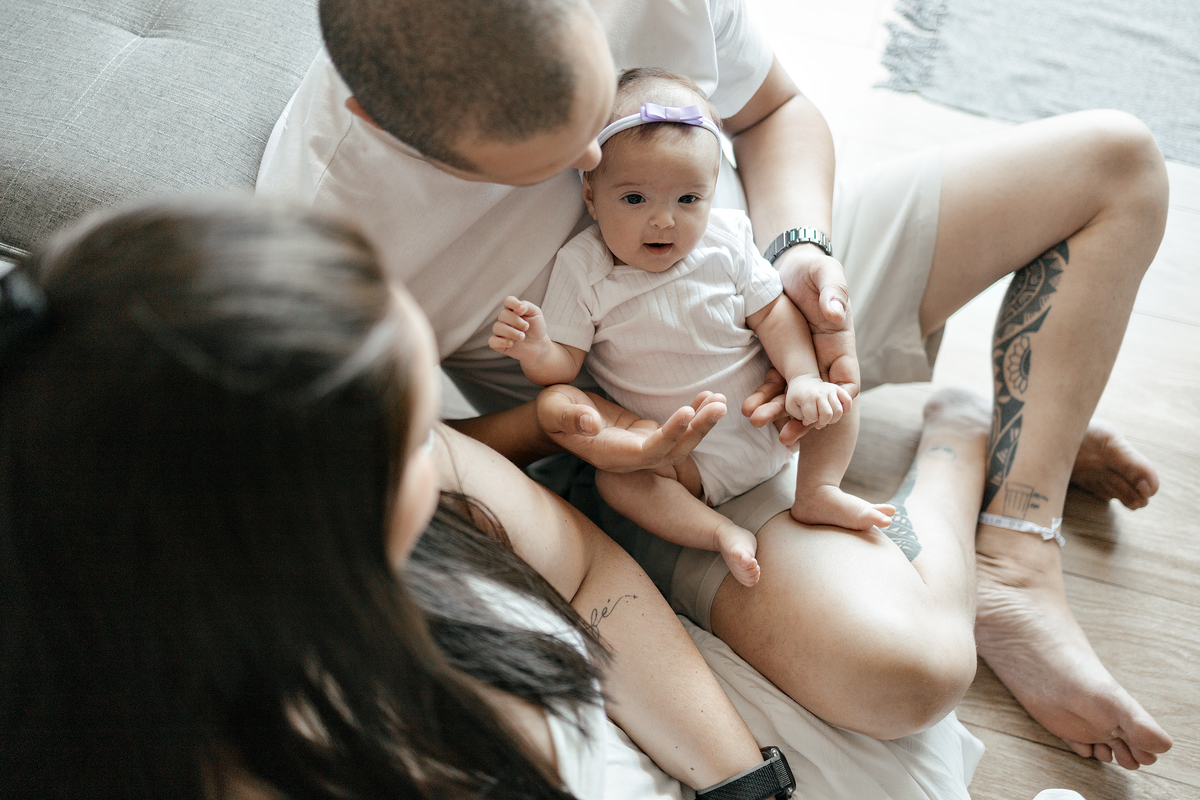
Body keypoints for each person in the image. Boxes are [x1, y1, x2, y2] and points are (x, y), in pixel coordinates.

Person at [257, 0, 1174, 768]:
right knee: (908, 675)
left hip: (749, 265)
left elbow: (776, 112)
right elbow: (402, 464)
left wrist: (801, 250)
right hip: (667, 445)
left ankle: (1015, 551)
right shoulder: (321, 236)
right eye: (548, 157)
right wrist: (560, 423)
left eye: (596, 112)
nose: (593, 164)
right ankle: (965, 434)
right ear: (384, 120)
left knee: (1118, 158)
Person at [0, 197, 800, 799]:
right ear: (303, 537)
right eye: (420, 438)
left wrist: (743, 788)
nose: (453, 446)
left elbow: (589, 573)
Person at [491, 68, 894, 587]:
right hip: (684, 458)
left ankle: (819, 489)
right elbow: (563, 366)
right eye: (634, 199)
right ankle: (718, 531)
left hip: (776, 418)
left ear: (711, 193)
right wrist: (537, 348)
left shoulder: (726, 242)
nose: (664, 221)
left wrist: (802, 378)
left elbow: (772, 313)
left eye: (688, 200)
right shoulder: (583, 268)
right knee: (618, 484)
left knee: (837, 383)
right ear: (591, 194)